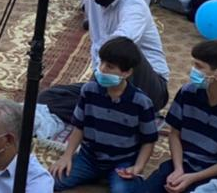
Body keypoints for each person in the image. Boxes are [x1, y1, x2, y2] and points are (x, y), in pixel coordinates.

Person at [38, 0, 170, 121]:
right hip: (107, 81)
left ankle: (110, 112)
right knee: (47, 99)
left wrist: (94, 86)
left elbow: (118, 46)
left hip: (145, 83)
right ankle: (111, 113)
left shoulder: (134, 6)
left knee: (124, 51)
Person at [140, 40, 217, 193]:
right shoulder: (187, 92)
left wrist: (192, 178)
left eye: (199, 66)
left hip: (215, 175)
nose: (193, 70)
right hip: (183, 164)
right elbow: (174, 134)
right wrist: (178, 169)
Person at [50, 37, 158, 193]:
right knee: (53, 180)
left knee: (123, 191)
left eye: (110, 66)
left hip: (122, 161)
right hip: (90, 157)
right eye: (101, 63)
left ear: (127, 72)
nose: (102, 69)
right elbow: (79, 126)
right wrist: (67, 156)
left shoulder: (141, 102)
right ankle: (96, 174)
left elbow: (149, 140)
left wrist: (138, 167)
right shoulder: (89, 90)